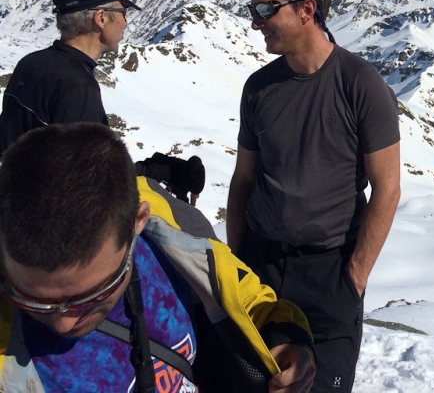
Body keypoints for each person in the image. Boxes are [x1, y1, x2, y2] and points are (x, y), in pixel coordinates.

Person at [0, 122, 315, 392]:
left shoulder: (172, 235)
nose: (64, 322)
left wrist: (288, 339)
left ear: (137, 223)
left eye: (94, 294)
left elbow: (245, 297)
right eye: (32, 300)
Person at [227, 0, 401, 393]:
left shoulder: (360, 84)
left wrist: (355, 276)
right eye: (254, 10)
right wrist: (240, 259)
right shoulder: (259, 88)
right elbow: (244, 180)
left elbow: (387, 187)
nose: (256, 22)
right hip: (261, 266)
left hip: (329, 274)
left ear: (307, 9)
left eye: (266, 9)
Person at [0, 0, 138, 156]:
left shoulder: (31, 63)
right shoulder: (78, 88)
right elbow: (80, 174)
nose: (126, 22)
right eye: (123, 13)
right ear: (101, 18)